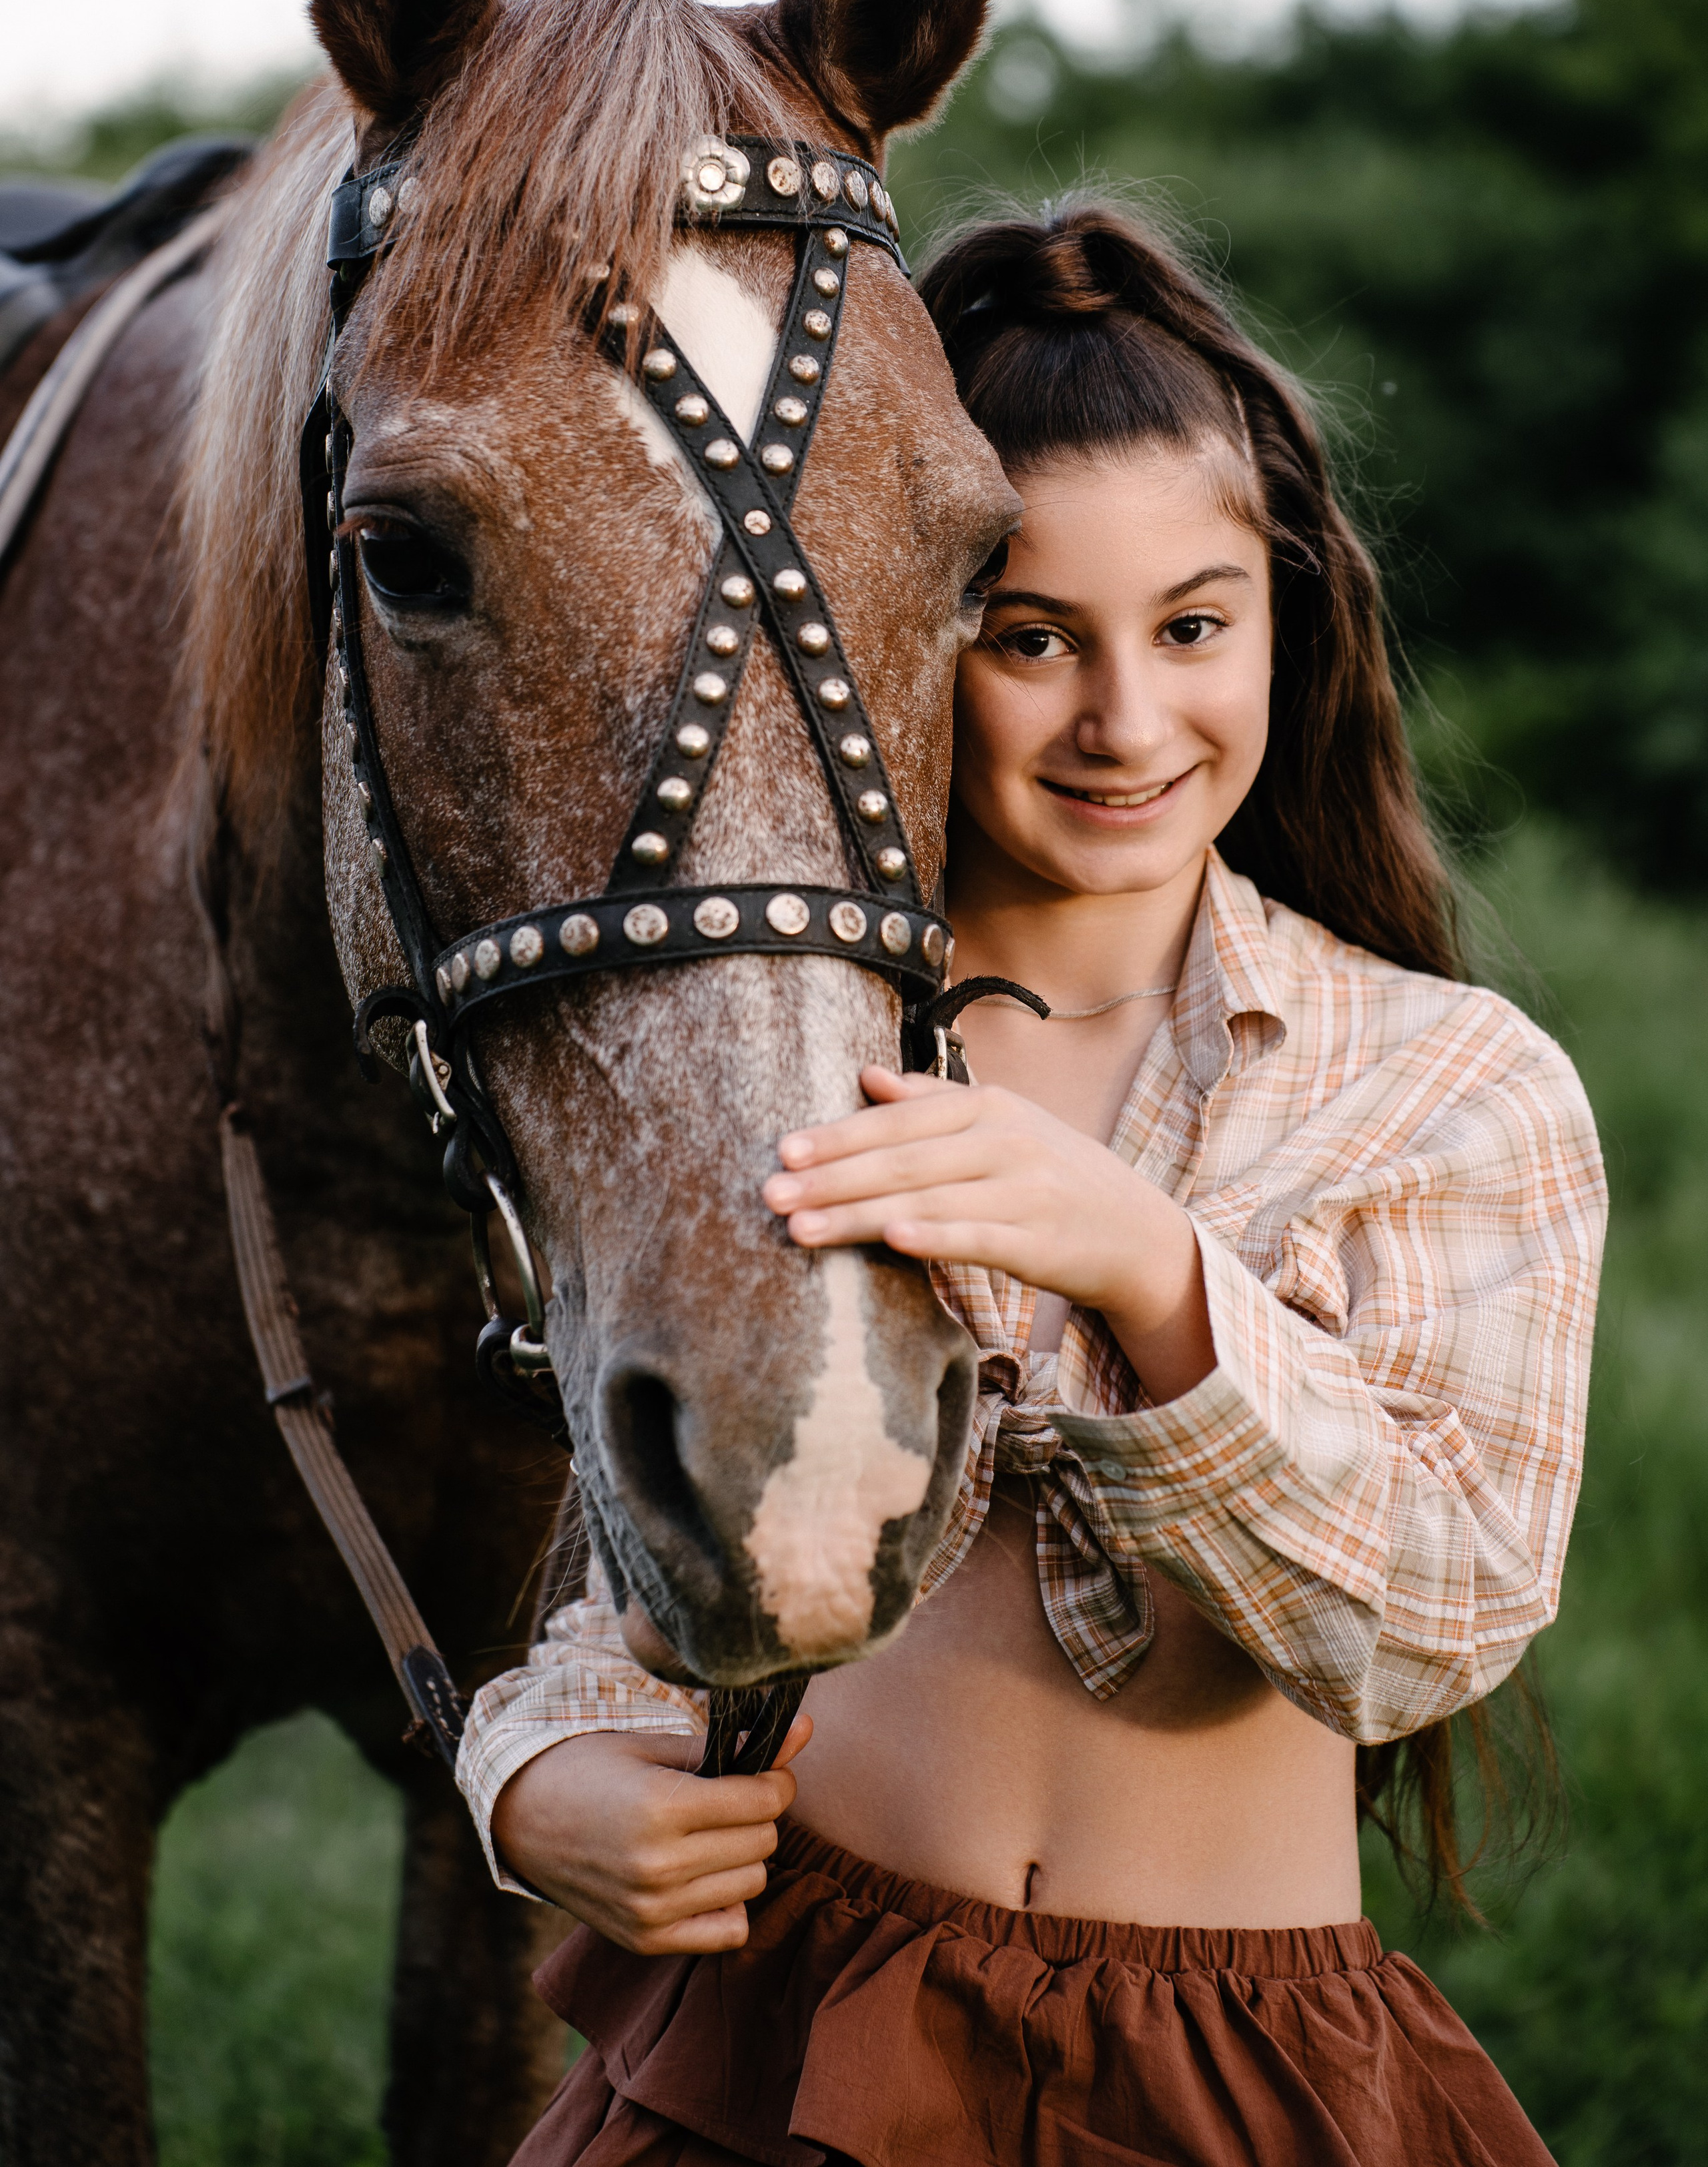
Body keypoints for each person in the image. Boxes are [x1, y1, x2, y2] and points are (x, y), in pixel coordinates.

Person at [456, 201, 1606, 2166]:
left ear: (1283, 621)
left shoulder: (1445, 1088)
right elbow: (650, 1564)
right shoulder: (798, 1055)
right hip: (792, 2032)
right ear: (906, 639)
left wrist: (1151, 1271)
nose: (1126, 723)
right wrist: (537, 1773)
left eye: (1193, 628)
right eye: (1032, 639)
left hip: (1222, 2062)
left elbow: (1438, 1614)